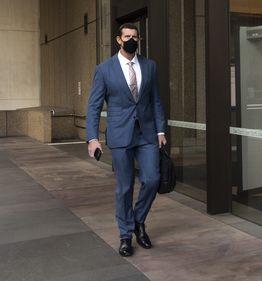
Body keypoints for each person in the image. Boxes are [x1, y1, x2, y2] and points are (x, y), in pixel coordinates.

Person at [86, 23, 167, 257]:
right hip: (120, 135)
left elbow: (156, 101)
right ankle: (125, 234)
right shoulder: (104, 69)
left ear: (138, 39)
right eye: (127, 36)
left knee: (152, 180)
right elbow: (93, 106)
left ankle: (139, 221)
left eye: (135, 36)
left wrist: (160, 130)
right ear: (118, 40)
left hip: (147, 134)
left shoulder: (149, 66)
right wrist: (92, 137)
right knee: (125, 187)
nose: (131, 39)